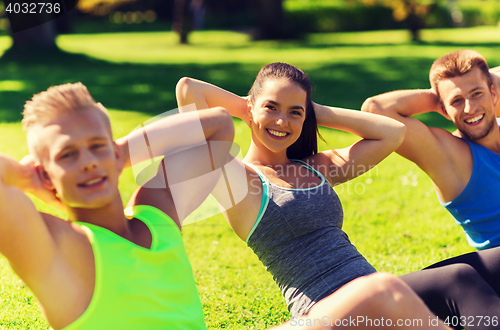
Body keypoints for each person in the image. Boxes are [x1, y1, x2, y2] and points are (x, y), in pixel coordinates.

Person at [176, 62, 500, 330]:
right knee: (387, 288)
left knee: (464, 276)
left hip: (377, 294)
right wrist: (249, 107)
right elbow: (189, 90)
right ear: (251, 108)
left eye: (294, 113)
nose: (280, 121)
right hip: (330, 310)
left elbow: (392, 133)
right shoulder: (238, 179)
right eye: (271, 108)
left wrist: (315, 111)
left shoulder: (318, 168)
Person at [0, 82, 236, 329]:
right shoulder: (57, 248)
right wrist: (30, 178)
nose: (89, 162)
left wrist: (117, 153)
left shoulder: (158, 214)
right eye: (67, 154)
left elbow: (218, 125)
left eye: (96, 147)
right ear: (46, 175)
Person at [361, 49, 500, 251]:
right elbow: (375, 109)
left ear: (493, 93)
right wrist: (439, 97)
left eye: (477, 94)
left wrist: (482, 80)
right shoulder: (450, 156)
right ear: (443, 109)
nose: (469, 108)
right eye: (457, 101)